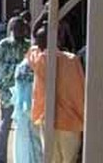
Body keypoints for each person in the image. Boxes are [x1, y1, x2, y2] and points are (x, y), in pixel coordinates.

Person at [27, 27, 84, 163]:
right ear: (57, 41)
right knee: (69, 159)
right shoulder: (72, 60)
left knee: (51, 159)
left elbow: (33, 45)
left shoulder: (37, 59)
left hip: (47, 118)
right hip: (71, 119)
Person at [0, 16, 30, 163]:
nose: (20, 31)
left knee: (25, 127)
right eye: (17, 28)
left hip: (25, 92)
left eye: (22, 28)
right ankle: (0, 157)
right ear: (12, 29)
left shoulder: (28, 45)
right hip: (8, 92)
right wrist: (17, 69)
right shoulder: (3, 45)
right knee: (5, 124)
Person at [12, 58, 43, 163]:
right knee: (34, 144)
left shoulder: (23, 64)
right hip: (30, 109)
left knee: (24, 144)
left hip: (23, 111)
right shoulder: (38, 62)